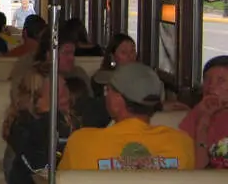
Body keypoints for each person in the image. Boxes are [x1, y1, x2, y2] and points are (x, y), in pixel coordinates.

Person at [58, 63, 195, 170]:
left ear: (117, 101)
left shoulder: (81, 143)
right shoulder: (182, 144)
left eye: (108, 90)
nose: (106, 95)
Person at [1, 65, 78, 184]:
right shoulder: (25, 127)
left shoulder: (69, 120)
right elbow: (44, 169)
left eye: (65, 87)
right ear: (38, 98)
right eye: (58, 91)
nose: (66, 94)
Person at [179, 55, 228, 168]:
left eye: (220, 80)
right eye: (206, 80)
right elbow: (195, 164)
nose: (210, 86)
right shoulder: (201, 109)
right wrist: (204, 120)